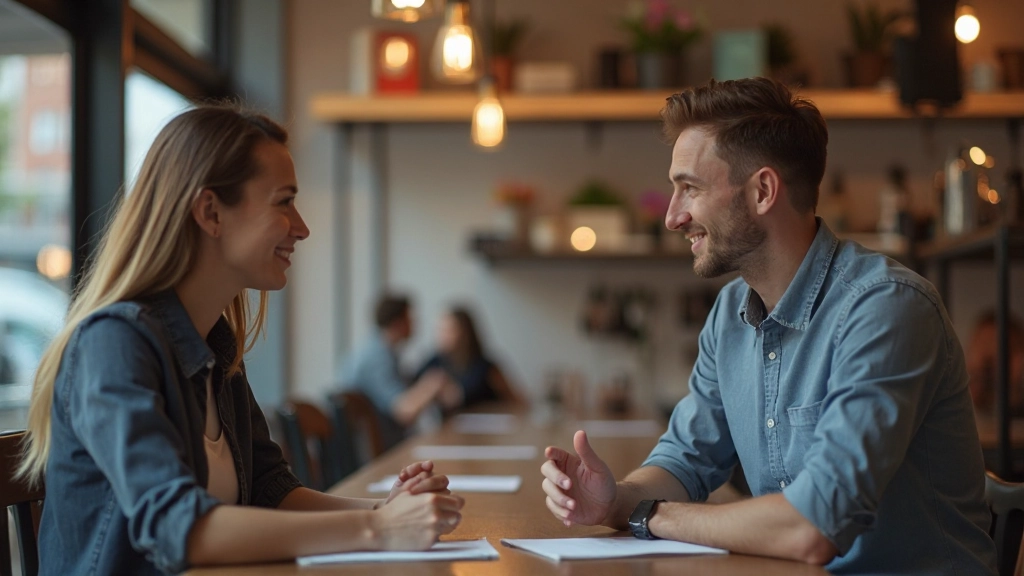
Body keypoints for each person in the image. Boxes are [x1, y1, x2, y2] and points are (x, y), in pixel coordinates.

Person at [540, 78, 997, 574]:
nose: (673, 217)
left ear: (762, 191)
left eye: (689, 188)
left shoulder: (885, 309)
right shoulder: (730, 313)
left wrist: (651, 516)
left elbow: (812, 527)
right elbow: (684, 462)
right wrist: (614, 500)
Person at [17, 105, 464, 575]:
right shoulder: (112, 345)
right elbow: (177, 527)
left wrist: (381, 512)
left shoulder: (215, 344)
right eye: (284, 201)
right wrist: (379, 532)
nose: (302, 227)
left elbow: (269, 490)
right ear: (211, 212)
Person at [338, 294, 462, 448]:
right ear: (398, 322)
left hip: (378, 446)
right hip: (371, 452)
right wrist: (433, 384)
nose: (415, 324)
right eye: (410, 318)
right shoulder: (376, 357)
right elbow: (404, 411)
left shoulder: (381, 351)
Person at [415, 306, 523, 410]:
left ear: (465, 333)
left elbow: (517, 401)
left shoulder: (485, 367)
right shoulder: (434, 364)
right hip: (450, 426)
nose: (442, 336)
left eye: (449, 330)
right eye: (440, 330)